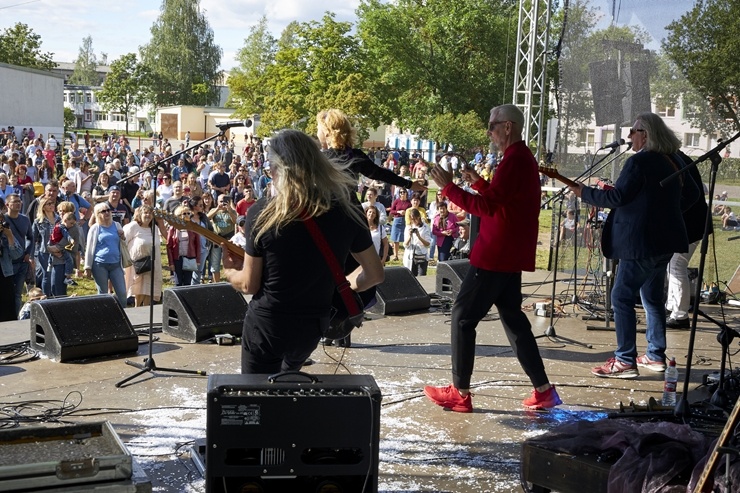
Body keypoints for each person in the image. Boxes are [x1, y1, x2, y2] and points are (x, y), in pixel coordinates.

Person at [424, 104, 561, 412]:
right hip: (508, 253)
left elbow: (487, 209)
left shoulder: (515, 160)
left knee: (462, 317)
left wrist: (448, 188)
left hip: (496, 254)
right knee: (514, 321)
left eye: (492, 125)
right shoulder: (519, 158)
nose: (489, 131)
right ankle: (543, 390)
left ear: (508, 127)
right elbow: (501, 200)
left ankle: (460, 392)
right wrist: (478, 183)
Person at [222, 129, 384, 374]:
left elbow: (249, 285)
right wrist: (343, 284)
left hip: (268, 325)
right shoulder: (347, 210)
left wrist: (230, 272)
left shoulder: (263, 212)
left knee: (257, 399)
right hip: (312, 324)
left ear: (278, 169)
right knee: (289, 386)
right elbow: (374, 274)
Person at [568, 112, 697, 378]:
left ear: (645, 134)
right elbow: (694, 193)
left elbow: (617, 196)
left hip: (641, 244)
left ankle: (625, 360)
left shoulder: (639, 162)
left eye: (633, 131)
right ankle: (654, 355)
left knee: (621, 296)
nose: (629, 137)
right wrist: (666, 212)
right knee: (651, 297)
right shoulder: (672, 160)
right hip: (666, 242)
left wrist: (585, 193)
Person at [666, 154, 709, 329]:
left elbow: (690, 194)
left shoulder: (673, 160)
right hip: (690, 224)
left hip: (691, 225)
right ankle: (672, 307)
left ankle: (680, 315)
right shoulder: (677, 157)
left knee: (676, 265)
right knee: (672, 264)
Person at [85, 202, 128, 308]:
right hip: (99, 264)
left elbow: (123, 244)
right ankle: (104, 316)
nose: (107, 212)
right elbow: (89, 248)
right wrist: (87, 267)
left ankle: (125, 315)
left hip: (116, 264)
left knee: (122, 293)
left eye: (108, 210)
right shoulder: (95, 228)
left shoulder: (117, 225)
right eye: (103, 211)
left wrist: (123, 237)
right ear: (97, 214)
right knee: (103, 294)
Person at [123, 205, 163, 307]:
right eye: (145, 213)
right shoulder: (133, 226)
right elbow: (124, 242)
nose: (148, 215)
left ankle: (146, 307)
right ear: (140, 214)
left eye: (150, 213)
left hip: (153, 263)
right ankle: (137, 307)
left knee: (150, 287)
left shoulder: (154, 228)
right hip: (139, 263)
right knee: (139, 286)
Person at [0, 197, 24, 321]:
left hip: (5, 275)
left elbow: (17, 255)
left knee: (6, 312)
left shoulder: (5, 229)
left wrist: (9, 237)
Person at [166, 204, 201, 287]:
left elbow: (198, 244)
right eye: (184, 213)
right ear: (178, 216)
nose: (187, 215)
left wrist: (198, 260)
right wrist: (171, 263)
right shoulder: (173, 228)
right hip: (177, 258)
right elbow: (169, 246)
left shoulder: (193, 227)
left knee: (187, 282)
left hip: (190, 257)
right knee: (178, 282)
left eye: (188, 213)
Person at [403, 208, 432, 276]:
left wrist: (419, 236)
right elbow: (405, 245)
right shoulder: (408, 227)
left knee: (422, 277)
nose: (413, 221)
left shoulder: (426, 227)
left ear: (419, 217)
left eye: (415, 219)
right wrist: (409, 237)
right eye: (412, 219)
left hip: (422, 256)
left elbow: (428, 244)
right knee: (412, 277)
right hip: (411, 256)